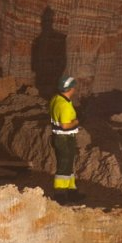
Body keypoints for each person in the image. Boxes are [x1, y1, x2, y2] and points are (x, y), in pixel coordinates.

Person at [49, 74, 82, 203]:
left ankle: (71, 191)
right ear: (71, 89)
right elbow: (65, 125)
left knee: (68, 164)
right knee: (64, 165)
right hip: (64, 138)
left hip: (59, 137)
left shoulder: (56, 99)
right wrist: (77, 122)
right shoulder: (64, 105)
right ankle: (60, 195)